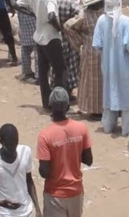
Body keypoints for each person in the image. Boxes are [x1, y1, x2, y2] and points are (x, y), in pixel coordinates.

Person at [16, 0, 67, 110]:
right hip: (51, 37)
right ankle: (59, 102)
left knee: (43, 72)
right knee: (60, 70)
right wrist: (60, 28)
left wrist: (32, 14)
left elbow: (17, 4)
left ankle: (46, 103)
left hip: (38, 36)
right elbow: (51, 15)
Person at [37, 87, 93, 217]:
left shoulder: (45, 136)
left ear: (50, 106)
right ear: (68, 107)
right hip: (76, 193)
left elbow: (44, 172)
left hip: (55, 194)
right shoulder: (81, 128)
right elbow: (88, 160)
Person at [93, 0, 129, 135]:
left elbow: (97, 45)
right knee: (127, 97)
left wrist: (108, 55)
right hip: (125, 66)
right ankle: (127, 129)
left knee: (109, 94)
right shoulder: (126, 22)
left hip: (107, 66)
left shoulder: (101, 21)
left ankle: (108, 126)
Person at [0, 124, 41, 217]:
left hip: (26, 210)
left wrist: (37, 209)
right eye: (9, 145)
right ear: (1, 141)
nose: (12, 148)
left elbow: (29, 181)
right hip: (3, 212)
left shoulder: (25, 152)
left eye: (15, 143)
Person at [9, 0, 39, 83]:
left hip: (21, 14)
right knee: (37, 45)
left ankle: (26, 71)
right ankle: (38, 73)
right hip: (30, 13)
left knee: (26, 44)